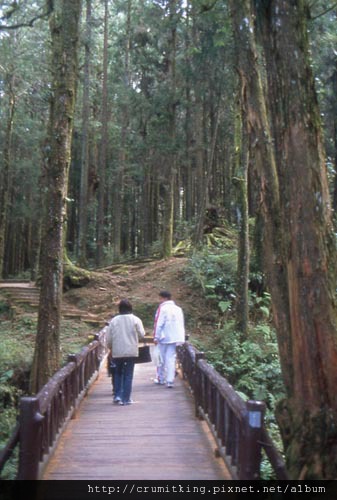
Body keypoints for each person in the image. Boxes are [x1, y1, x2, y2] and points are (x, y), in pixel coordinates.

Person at [106, 299, 145, 405]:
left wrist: (110, 347)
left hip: (117, 351)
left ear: (119, 309)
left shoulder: (114, 320)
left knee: (117, 373)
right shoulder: (135, 319)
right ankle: (126, 399)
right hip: (131, 351)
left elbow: (108, 338)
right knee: (128, 375)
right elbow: (142, 334)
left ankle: (117, 396)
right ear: (130, 308)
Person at [153, 290, 185, 388]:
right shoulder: (178, 309)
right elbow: (181, 323)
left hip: (163, 337)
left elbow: (158, 324)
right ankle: (170, 380)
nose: (159, 300)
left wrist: (156, 337)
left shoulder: (162, 308)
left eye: (160, 298)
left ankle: (161, 378)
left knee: (160, 358)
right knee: (170, 358)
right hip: (175, 337)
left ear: (164, 298)